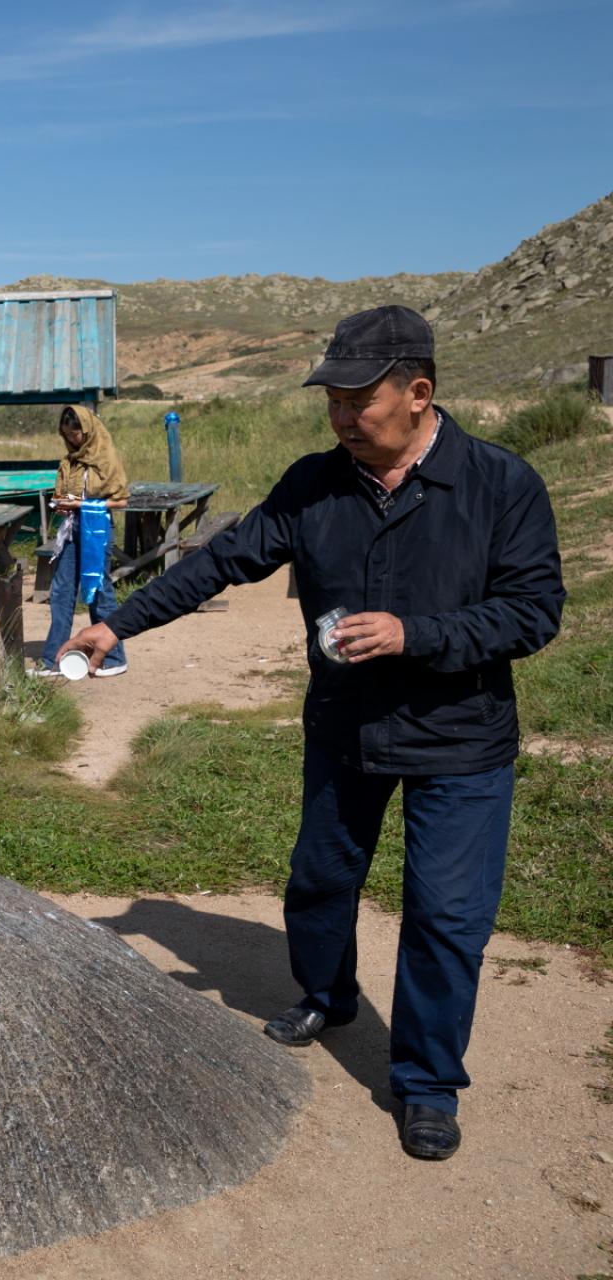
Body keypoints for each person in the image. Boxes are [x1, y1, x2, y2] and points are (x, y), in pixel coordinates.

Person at [57, 305, 565, 1161]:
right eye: (330, 399)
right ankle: (327, 996)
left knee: (446, 916)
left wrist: (417, 634)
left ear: (419, 393)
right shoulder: (313, 485)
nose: (339, 418)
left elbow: (533, 611)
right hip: (344, 729)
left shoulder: (501, 485)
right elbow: (222, 561)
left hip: (460, 740)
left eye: (355, 401)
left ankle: (428, 1084)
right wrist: (120, 625)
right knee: (319, 882)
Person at [38, 403, 131, 677]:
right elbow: (64, 498)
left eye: (76, 434)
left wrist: (86, 505)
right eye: (67, 435)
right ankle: (53, 659)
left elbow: (122, 500)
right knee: (61, 592)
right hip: (70, 529)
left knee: (98, 592)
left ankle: (115, 658)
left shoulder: (106, 460)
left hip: (96, 530)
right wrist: (63, 504)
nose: (72, 439)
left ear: (87, 430)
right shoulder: (69, 462)